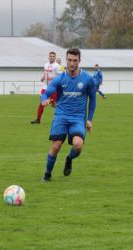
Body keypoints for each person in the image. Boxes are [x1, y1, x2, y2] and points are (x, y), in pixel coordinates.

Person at [40, 48, 97, 182]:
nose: (72, 63)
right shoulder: (59, 79)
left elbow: (93, 99)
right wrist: (44, 100)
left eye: (75, 60)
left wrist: (89, 119)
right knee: (56, 145)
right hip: (61, 116)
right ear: (66, 60)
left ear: (79, 61)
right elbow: (46, 93)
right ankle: (47, 174)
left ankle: (69, 158)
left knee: (78, 145)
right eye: (69, 60)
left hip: (78, 118)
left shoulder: (88, 79)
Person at [31, 51, 61, 124]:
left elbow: (61, 76)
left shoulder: (57, 66)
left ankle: (60, 118)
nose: (52, 57)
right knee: (41, 102)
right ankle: (38, 119)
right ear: (48, 57)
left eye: (53, 56)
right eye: (51, 56)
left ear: (55, 57)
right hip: (45, 87)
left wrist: (53, 79)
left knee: (54, 104)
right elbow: (46, 72)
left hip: (53, 88)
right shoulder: (46, 65)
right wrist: (43, 77)